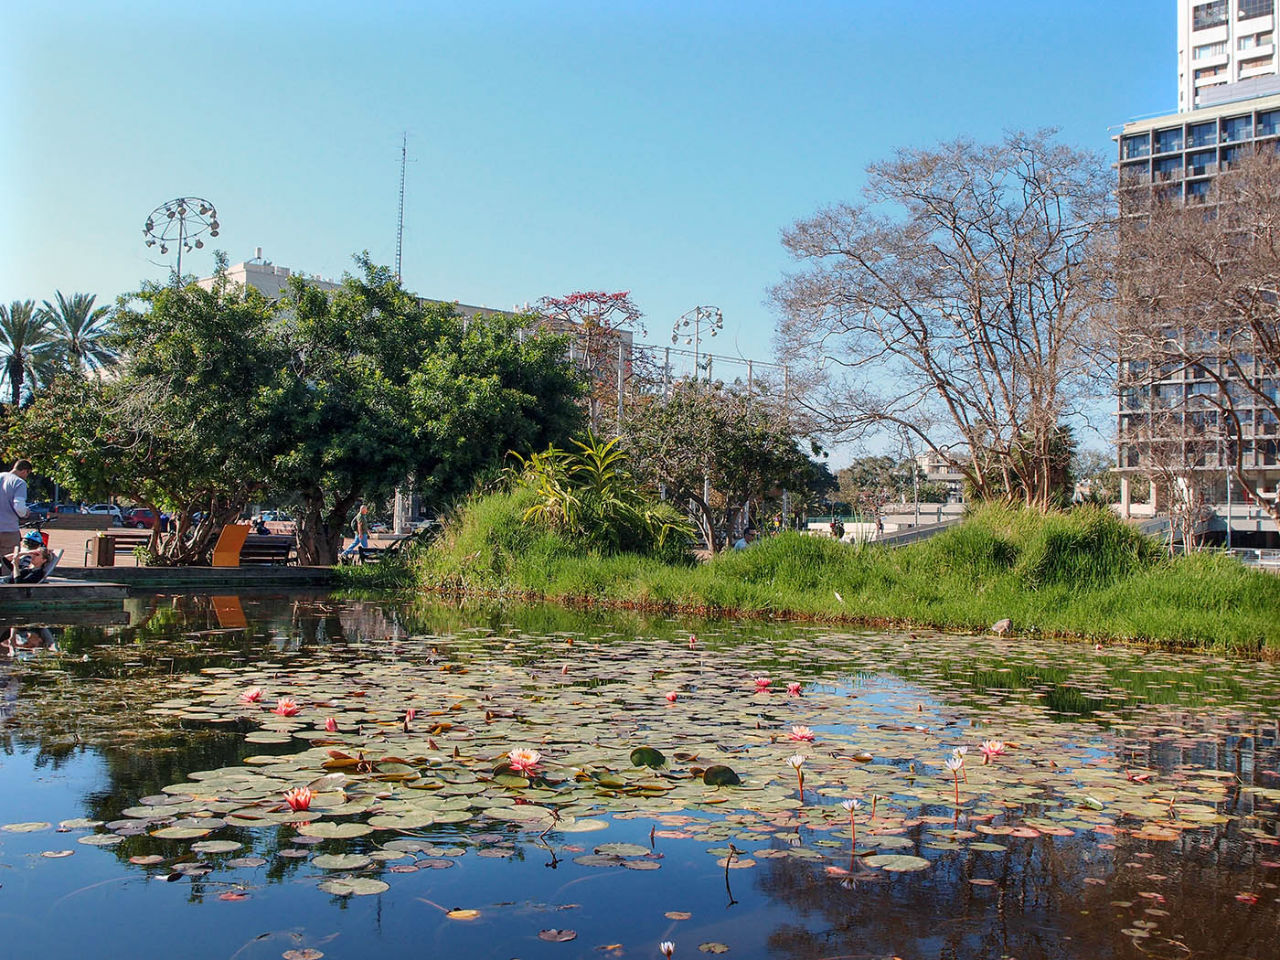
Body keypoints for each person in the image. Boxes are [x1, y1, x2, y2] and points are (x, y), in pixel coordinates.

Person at [0, 459, 32, 561]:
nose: (26, 477)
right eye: (28, 474)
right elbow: (19, 507)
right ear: (24, 471)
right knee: (9, 562)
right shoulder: (19, 482)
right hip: (8, 529)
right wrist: (25, 512)